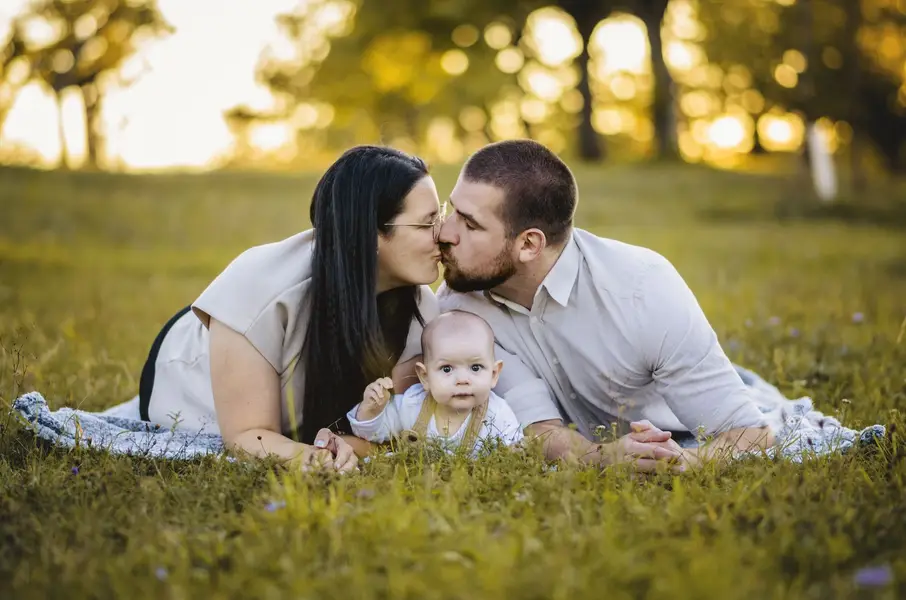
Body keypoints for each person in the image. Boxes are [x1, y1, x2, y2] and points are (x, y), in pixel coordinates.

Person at [435, 139, 776, 471]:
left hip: (678, 427)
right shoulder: (461, 307)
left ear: (528, 244)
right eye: (452, 210)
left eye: (470, 224)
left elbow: (750, 434)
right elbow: (540, 429)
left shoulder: (643, 289)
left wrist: (684, 461)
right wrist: (605, 457)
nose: (445, 233)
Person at [124, 145, 444, 473]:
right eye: (426, 224)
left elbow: (395, 433)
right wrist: (314, 458)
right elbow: (247, 436)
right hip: (188, 371)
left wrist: (346, 448)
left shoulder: (421, 310)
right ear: (370, 233)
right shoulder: (260, 284)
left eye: (441, 217)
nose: (444, 236)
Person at [346, 310, 524, 455]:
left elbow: (515, 453)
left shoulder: (498, 415)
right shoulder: (412, 403)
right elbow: (373, 435)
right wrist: (372, 410)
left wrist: (512, 454)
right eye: (447, 369)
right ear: (425, 376)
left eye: (475, 368)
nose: (462, 380)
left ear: (494, 374)